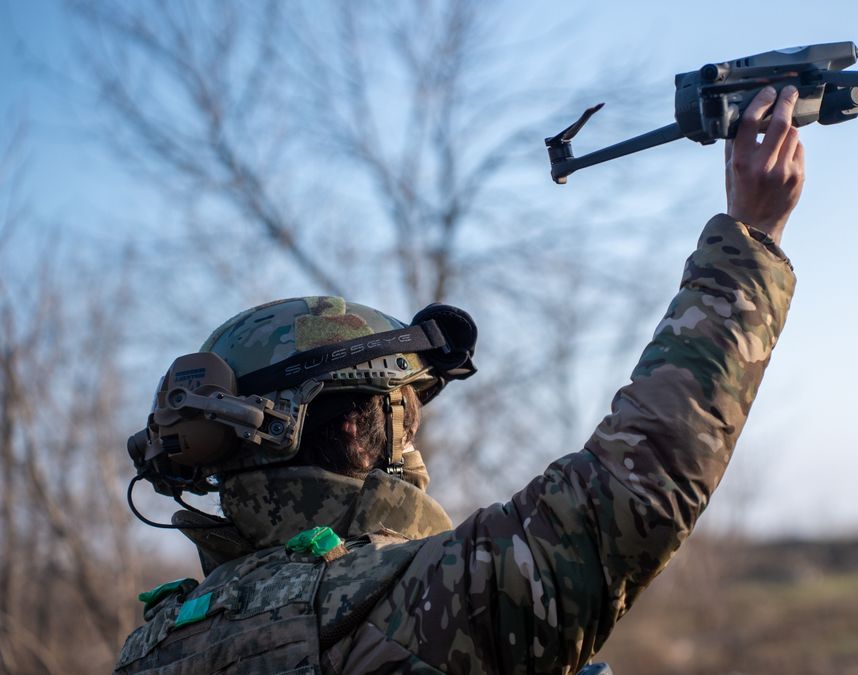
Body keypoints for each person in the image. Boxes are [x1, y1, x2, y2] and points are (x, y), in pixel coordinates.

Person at [114, 84, 805, 674]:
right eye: (406, 412)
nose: (415, 439)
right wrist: (751, 236)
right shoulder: (396, 606)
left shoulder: (155, 643)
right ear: (360, 425)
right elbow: (632, 486)